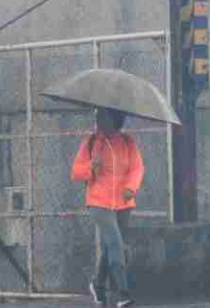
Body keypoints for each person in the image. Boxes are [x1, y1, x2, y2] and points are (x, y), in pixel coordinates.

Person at [71, 107, 144, 308]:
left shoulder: (128, 142)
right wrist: (90, 169)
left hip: (123, 202)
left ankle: (98, 285)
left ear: (114, 118)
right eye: (96, 116)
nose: (97, 119)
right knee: (116, 244)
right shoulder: (92, 142)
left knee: (108, 247)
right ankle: (123, 294)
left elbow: (137, 168)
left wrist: (131, 187)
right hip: (98, 202)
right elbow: (76, 172)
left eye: (101, 115)